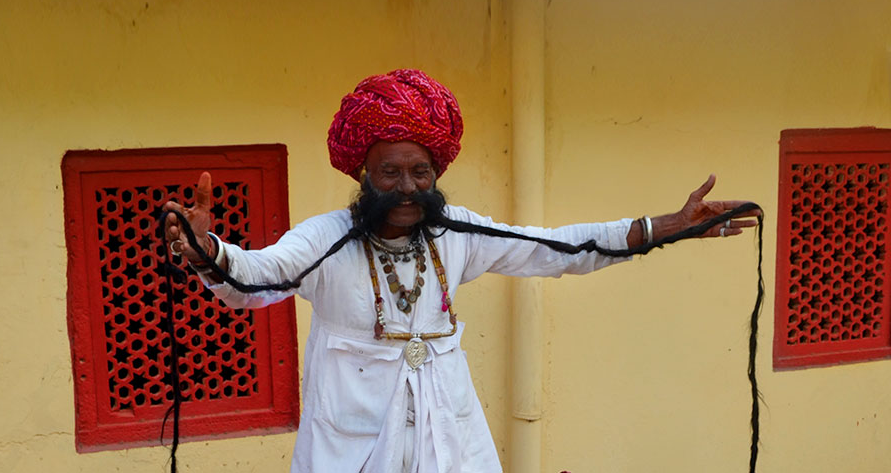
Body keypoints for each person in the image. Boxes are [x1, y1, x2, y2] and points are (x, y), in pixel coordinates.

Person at [162, 69, 759, 472]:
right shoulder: (326, 239)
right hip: (353, 449)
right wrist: (207, 249)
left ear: (436, 173)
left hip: (450, 441)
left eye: (420, 172)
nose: (407, 188)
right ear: (362, 176)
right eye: (389, 172)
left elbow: (557, 248)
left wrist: (664, 228)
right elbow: (256, 278)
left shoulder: (456, 233)